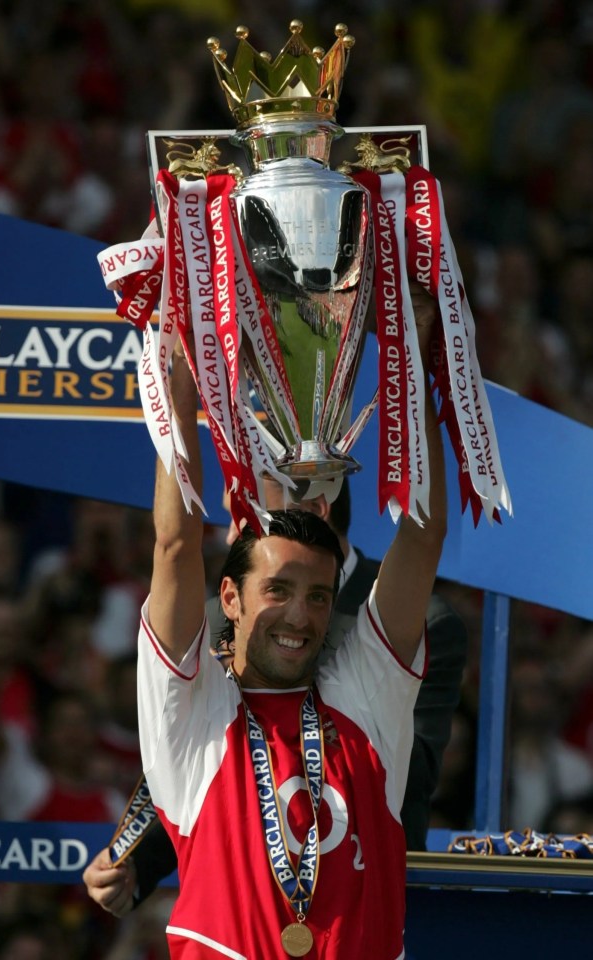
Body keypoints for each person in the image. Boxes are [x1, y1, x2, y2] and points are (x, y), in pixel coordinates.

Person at [92, 278, 446, 958]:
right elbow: (173, 545)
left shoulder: (363, 699)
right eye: (278, 589)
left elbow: (422, 535)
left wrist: (416, 353)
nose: (301, 615)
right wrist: (181, 367)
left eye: (317, 596)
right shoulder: (193, 719)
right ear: (230, 597)